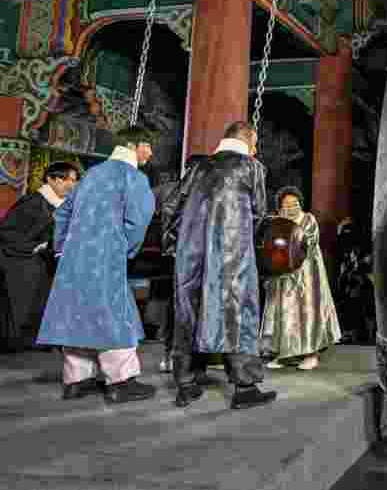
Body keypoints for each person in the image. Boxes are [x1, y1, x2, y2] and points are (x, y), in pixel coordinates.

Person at [36, 127, 157, 403]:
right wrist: (123, 248)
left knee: (78, 312)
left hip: (74, 256)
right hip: (107, 255)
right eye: (148, 146)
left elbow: (62, 213)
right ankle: (121, 381)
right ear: (136, 146)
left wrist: (62, 249)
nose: (150, 153)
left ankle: (77, 380)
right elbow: (139, 220)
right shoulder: (133, 177)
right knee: (115, 314)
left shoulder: (90, 175)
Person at [167, 121, 275, 410]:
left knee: (188, 310)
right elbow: (260, 214)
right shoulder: (252, 168)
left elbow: (171, 208)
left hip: (191, 252)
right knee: (237, 313)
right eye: (256, 143)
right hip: (231, 252)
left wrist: (177, 245)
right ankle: (245, 386)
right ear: (249, 140)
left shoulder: (198, 168)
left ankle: (186, 384)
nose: (256, 148)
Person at [0, 162, 80, 352]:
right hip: (21, 261)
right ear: (52, 180)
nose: (72, 185)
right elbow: (7, 233)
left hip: (45, 262)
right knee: (24, 304)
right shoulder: (33, 202)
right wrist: (36, 246)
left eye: (75, 181)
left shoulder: (60, 204)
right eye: (69, 180)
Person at [260, 187, 340, 370]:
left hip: (306, 273)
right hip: (283, 275)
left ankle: (311, 354)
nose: (291, 207)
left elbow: (309, 241)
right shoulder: (277, 221)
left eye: (294, 203)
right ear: (280, 206)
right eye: (286, 204)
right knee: (283, 312)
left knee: (306, 313)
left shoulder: (308, 219)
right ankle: (284, 354)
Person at [156, 154, 209, 375]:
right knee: (189, 308)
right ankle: (188, 360)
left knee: (176, 307)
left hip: (174, 256)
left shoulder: (170, 190)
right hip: (191, 258)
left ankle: (172, 355)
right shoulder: (202, 194)